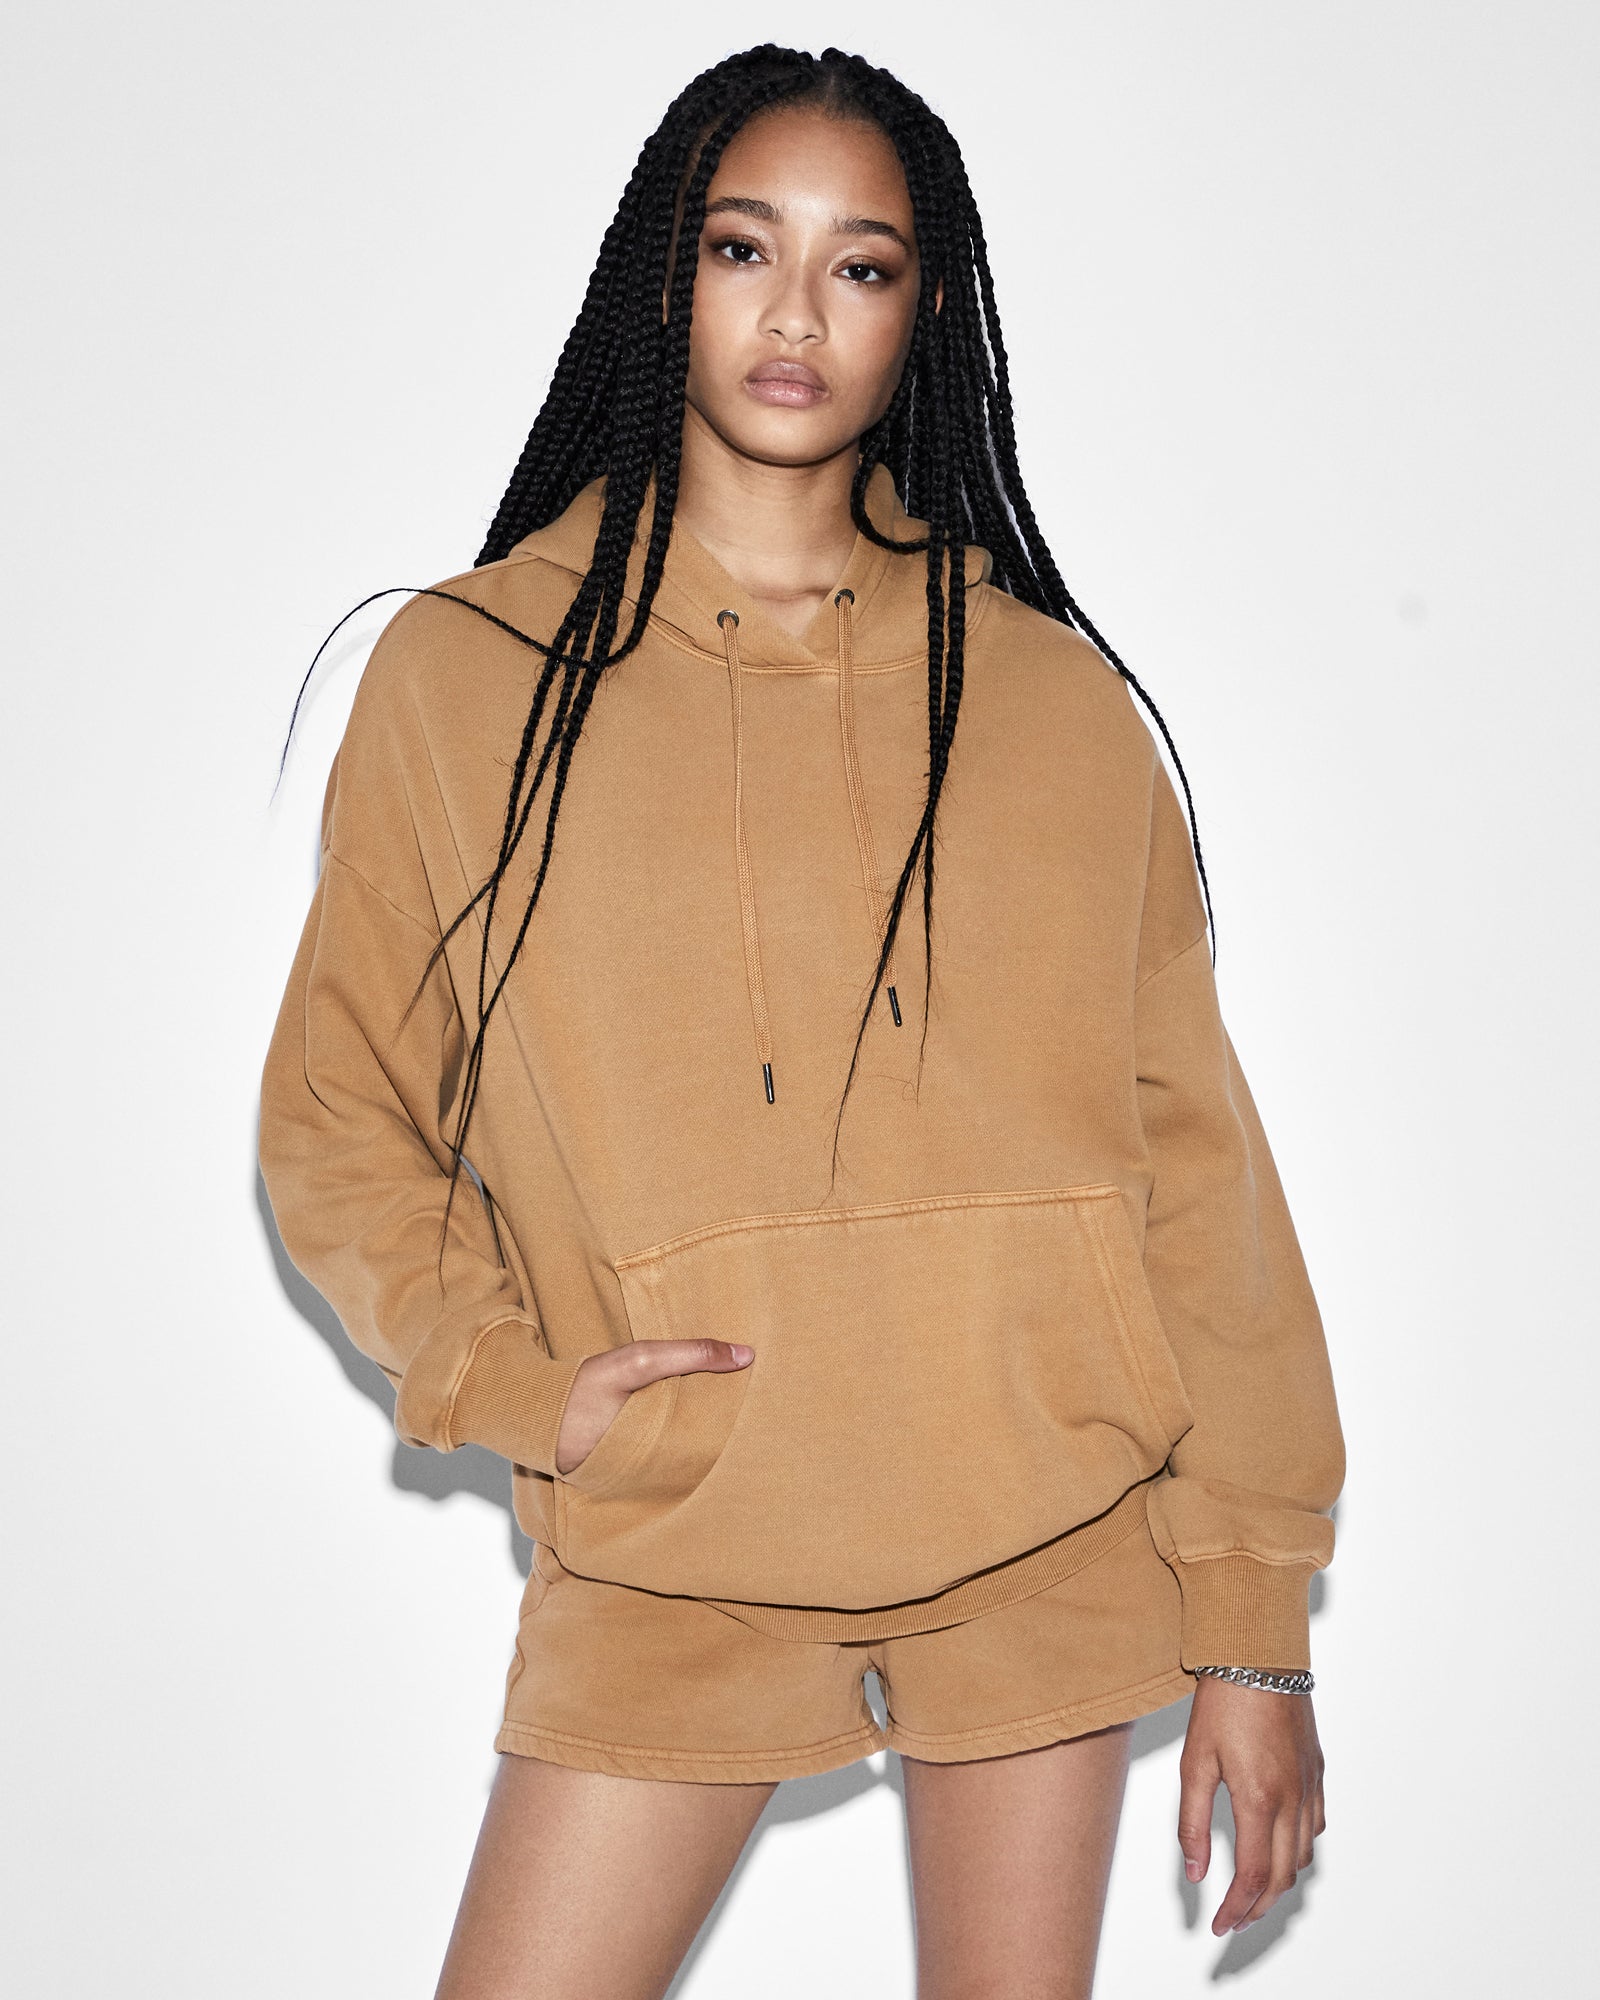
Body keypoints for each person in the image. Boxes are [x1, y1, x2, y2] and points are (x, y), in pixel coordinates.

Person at [258, 43, 1345, 2000]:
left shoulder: (1051, 705)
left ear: (922, 313)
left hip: (1038, 1529)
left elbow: (1199, 1173)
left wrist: (1253, 1636)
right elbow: (339, 1120)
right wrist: (506, 1378)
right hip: (678, 1536)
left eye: (862, 266)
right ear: (663, 273)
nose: (794, 313)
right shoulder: (468, 678)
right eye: (744, 247)